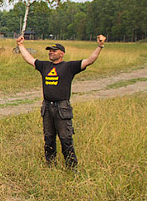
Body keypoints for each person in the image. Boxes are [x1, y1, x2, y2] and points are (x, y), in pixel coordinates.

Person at [17, 34, 106, 169]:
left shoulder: (69, 67)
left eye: (54, 50)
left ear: (62, 54)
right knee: (49, 137)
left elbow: (89, 60)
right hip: (47, 107)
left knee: (65, 138)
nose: (51, 52)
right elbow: (29, 59)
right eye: (49, 50)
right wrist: (20, 45)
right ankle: (50, 165)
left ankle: (71, 167)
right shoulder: (45, 66)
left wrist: (100, 46)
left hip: (62, 108)